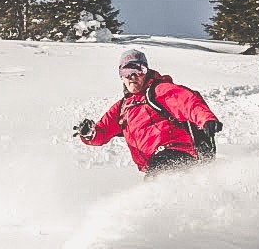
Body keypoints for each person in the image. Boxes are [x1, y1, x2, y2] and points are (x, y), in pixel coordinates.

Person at [74, 49, 223, 178]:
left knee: (158, 190)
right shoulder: (122, 108)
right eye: (127, 71)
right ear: (121, 76)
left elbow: (187, 101)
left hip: (174, 153)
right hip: (154, 164)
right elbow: (102, 132)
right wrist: (89, 134)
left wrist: (206, 118)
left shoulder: (158, 90)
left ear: (146, 72)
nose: (133, 76)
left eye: (138, 70)